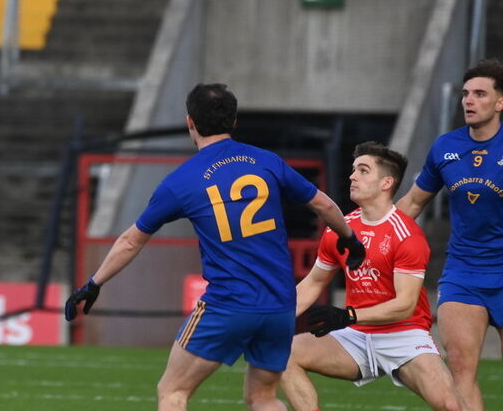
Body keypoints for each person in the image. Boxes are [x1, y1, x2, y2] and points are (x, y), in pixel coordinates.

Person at [64, 83, 367, 411]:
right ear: (234, 121)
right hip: (279, 306)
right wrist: (350, 239)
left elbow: (131, 241)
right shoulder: (267, 162)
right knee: (263, 398)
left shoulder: (182, 181)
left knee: (173, 392)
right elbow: (323, 205)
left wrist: (94, 283)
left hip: (228, 305)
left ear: (189, 122)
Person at [282, 141, 465, 411]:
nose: (352, 176)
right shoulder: (340, 230)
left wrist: (347, 316)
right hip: (356, 336)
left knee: (451, 405)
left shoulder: (407, 235)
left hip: (405, 335)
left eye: (363, 170)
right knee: (283, 353)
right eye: (354, 169)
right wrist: (274, 320)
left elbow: (404, 305)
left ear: (386, 183)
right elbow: (313, 283)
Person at [396, 58, 503, 411]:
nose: (468, 101)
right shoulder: (445, 147)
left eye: (479, 94)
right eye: (465, 94)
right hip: (463, 273)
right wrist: (374, 237)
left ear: (499, 102)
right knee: (459, 370)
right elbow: (413, 202)